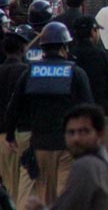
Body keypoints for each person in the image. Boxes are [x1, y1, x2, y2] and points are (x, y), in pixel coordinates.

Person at [5, 22, 94, 207]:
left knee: (42, 196)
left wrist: (11, 135)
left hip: (39, 146)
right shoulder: (76, 73)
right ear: (64, 47)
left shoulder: (31, 72)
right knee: (65, 196)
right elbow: (89, 110)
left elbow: (14, 106)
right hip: (68, 146)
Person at [25, 104, 108, 210]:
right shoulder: (107, 166)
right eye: (71, 132)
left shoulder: (86, 166)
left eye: (84, 132)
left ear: (99, 134)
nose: (76, 138)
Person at [70, 16, 108, 165]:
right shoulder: (106, 57)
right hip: (103, 119)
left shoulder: (69, 59)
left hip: (75, 121)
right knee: (106, 164)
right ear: (93, 32)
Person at [0, 30, 30, 208]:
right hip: (23, 135)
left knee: (9, 185)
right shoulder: (27, 72)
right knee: (24, 187)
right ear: (22, 49)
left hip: (2, 136)